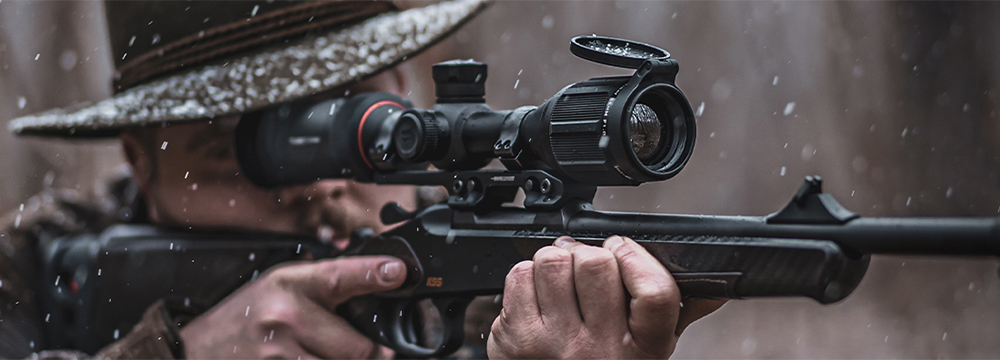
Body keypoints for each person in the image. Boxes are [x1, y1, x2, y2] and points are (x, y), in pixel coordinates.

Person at [1, 1, 724, 359]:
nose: (317, 185)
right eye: (242, 149)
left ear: (405, 91)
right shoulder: (27, 283)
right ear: (140, 160)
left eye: (357, 121)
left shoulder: (517, 313)